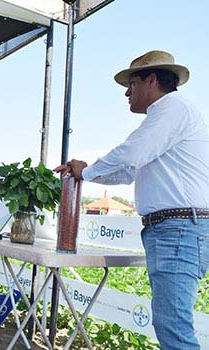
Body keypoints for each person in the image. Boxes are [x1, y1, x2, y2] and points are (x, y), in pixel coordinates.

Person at [54, 50, 209, 350]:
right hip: (174, 229)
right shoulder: (168, 119)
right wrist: (86, 172)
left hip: (177, 229)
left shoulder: (172, 108)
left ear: (152, 80)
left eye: (132, 83)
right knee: (170, 323)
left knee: (173, 327)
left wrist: (87, 170)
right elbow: (127, 171)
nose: (127, 91)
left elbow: (131, 153)